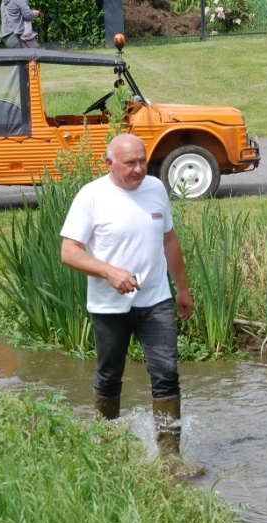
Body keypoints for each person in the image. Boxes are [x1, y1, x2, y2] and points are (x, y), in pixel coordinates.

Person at [60, 133, 194, 461]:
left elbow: (169, 240)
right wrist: (109, 272)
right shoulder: (91, 196)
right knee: (110, 376)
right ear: (109, 164)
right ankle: (108, 450)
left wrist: (182, 288)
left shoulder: (156, 188)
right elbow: (69, 251)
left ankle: (170, 457)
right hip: (109, 306)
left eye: (143, 161)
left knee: (166, 374)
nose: (138, 169)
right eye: (130, 163)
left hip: (156, 300)